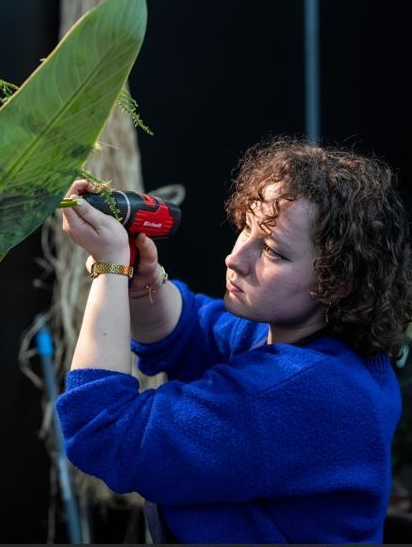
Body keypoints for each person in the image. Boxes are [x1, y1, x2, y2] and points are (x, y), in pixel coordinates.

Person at [56, 136, 411, 543]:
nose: (235, 258)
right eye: (246, 227)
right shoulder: (316, 347)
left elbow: (100, 428)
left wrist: (110, 268)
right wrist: (143, 286)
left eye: (273, 251)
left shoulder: (298, 394)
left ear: (337, 283)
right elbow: (192, 328)